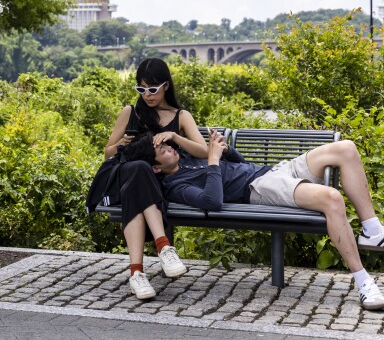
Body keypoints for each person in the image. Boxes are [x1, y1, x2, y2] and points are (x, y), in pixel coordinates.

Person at [121, 129, 384, 310]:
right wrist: (212, 160)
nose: (170, 148)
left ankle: (372, 229)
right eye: (163, 150)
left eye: (167, 144)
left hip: (275, 170)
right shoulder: (176, 186)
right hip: (261, 188)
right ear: (156, 168)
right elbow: (213, 201)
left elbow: (240, 163)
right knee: (331, 198)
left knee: (346, 148)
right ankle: (364, 283)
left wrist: (223, 149)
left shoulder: (187, 157)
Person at [89, 58, 206, 300]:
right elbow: (108, 153)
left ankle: (137, 273)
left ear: (166, 86)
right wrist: (120, 144)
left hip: (153, 184)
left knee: (141, 181)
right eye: (141, 89)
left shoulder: (181, 116)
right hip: (122, 177)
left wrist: (173, 135)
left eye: (152, 89)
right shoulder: (129, 112)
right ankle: (163, 247)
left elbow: (204, 151)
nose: (147, 95)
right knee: (140, 168)